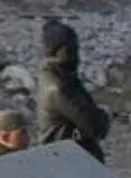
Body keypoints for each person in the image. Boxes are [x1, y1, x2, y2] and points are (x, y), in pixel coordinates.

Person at [35, 20, 111, 163]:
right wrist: (103, 116)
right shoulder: (60, 87)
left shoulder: (56, 76)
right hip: (68, 160)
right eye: (72, 49)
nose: (76, 55)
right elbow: (95, 126)